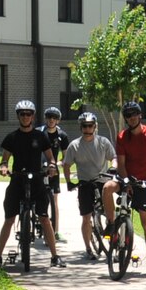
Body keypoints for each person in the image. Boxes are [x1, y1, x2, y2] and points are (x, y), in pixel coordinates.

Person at [0, 100, 62, 267]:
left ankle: (55, 256)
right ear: (18, 116)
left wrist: (52, 166)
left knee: (44, 218)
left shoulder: (41, 136)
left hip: (37, 179)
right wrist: (3, 168)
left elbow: (51, 158)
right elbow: (4, 160)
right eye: (22, 114)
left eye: (28, 114)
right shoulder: (12, 137)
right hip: (17, 179)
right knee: (9, 218)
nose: (25, 117)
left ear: (33, 116)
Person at [114, 100, 146, 274]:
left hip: (144, 184)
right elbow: (120, 164)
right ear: (126, 119)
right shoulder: (122, 137)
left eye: (134, 114)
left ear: (140, 115)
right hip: (128, 181)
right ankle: (114, 230)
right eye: (128, 115)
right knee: (108, 189)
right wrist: (126, 181)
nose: (132, 118)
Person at [60, 110, 117, 258]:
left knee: (111, 215)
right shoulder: (75, 145)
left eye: (90, 126)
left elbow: (114, 157)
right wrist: (68, 182)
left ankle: (115, 244)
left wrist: (114, 167)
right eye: (84, 126)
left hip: (102, 182)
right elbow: (66, 165)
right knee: (86, 217)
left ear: (95, 126)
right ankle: (88, 249)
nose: (87, 129)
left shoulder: (103, 142)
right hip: (85, 183)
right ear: (81, 127)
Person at [40, 106, 70, 234]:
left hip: (53, 169)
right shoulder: (40, 132)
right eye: (49, 117)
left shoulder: (62, 136)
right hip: (39, 168)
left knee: (54, 200)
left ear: (58, 120)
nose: (51, 120)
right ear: (45, 119)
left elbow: (65, 157)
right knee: (38, 197)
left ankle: (55, 231)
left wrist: (57, 164)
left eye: (54, 118)